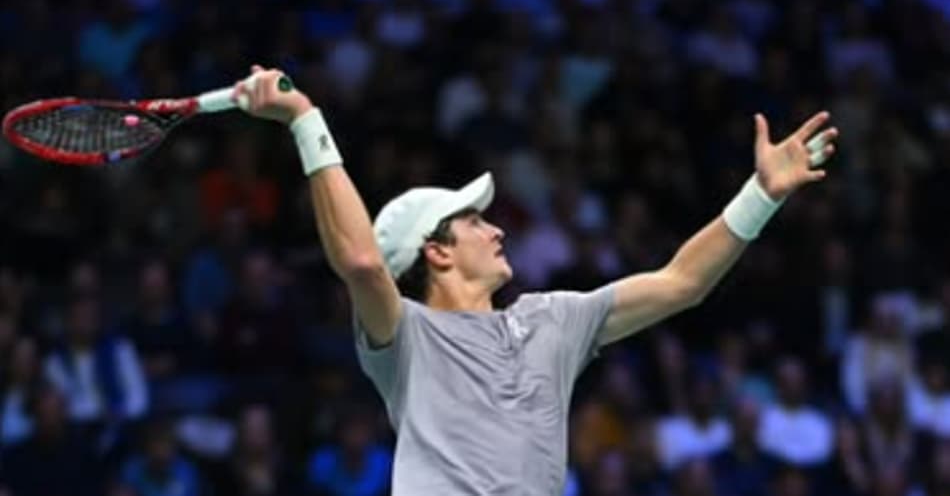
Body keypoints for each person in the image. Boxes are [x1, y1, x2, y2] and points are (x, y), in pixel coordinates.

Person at [236, 65, 838, 495]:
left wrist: (761, 195)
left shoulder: (553, 319)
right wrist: (303, 117)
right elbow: (363, 262)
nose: (496, 230)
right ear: (437, 253)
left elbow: (682, 281)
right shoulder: (403, 338)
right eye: (473, 221)